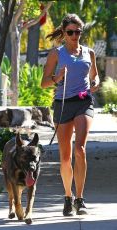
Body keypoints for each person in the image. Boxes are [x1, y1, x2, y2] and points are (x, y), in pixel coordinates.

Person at [41, 13, 99, 216]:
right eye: (71, 32)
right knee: (65, 157)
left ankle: (81, 199)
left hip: (83, 102)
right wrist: (57, 78)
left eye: (78, 32)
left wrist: (96, 83)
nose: (75, 35)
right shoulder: (56, 54)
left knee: (80, 150)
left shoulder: (89, 53)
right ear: (64, 33)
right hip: (63, 104)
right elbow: (44, 83)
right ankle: (68, 197)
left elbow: (95, 75)